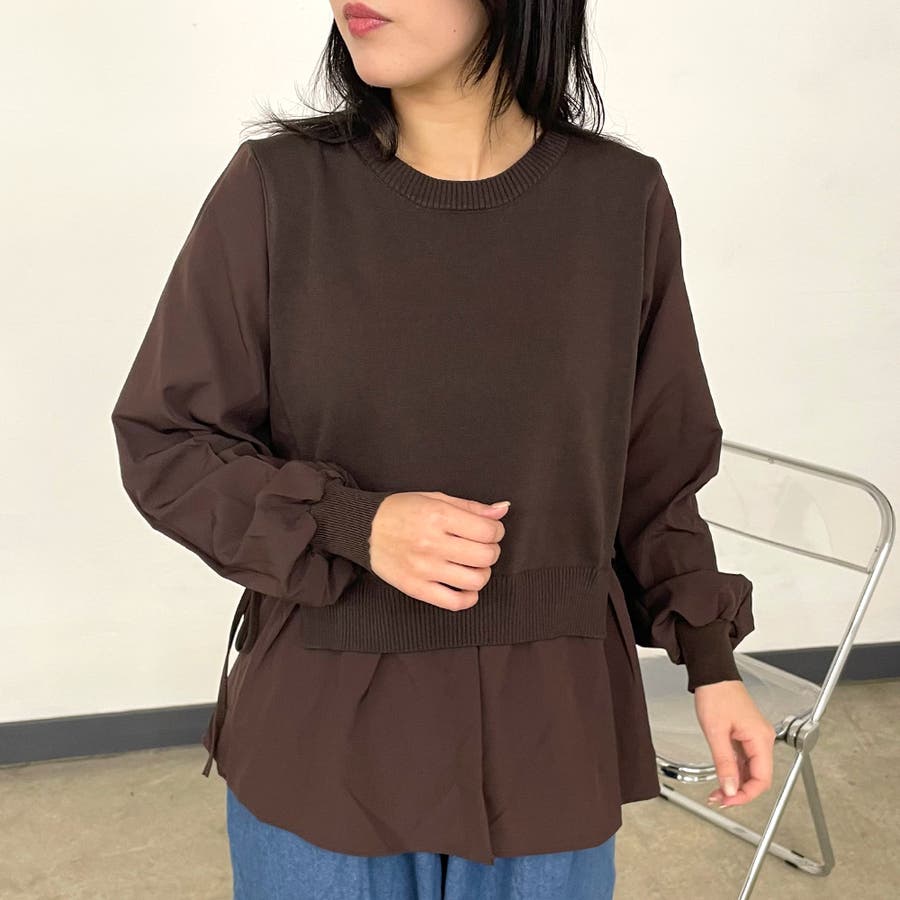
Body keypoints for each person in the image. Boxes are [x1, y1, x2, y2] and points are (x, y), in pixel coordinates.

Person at [111, 1, 776, 897]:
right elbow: (170, 440)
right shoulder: (277, 188)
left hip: (550, 736)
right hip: (326, 740)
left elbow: (656, 474)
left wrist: (711, 662)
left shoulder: (622, 200)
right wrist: (352, 522)